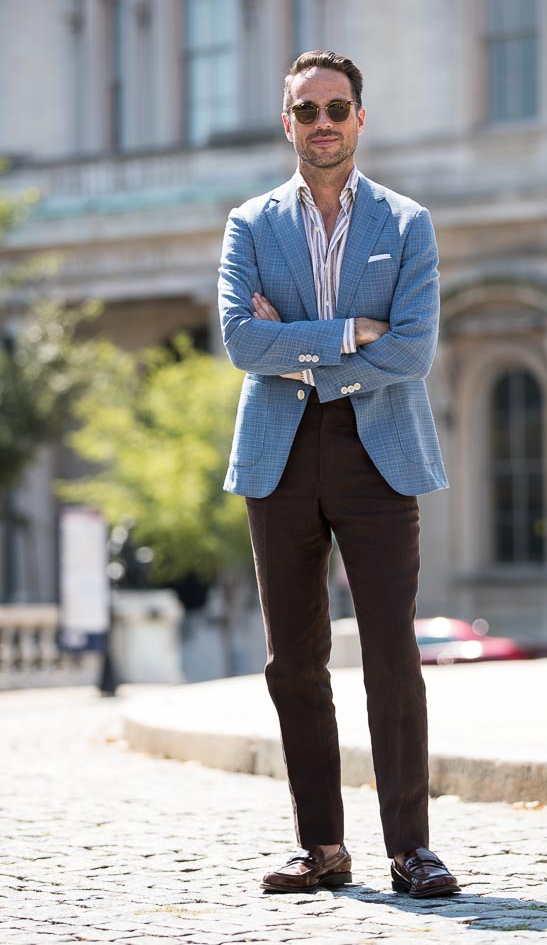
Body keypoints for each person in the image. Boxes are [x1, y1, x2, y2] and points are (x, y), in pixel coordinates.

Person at [217, 50, 460, 899]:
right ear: (288, 122)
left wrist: (309, 352)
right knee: (294, 660)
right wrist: (350, 332)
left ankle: (411, 851)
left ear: (361, 118)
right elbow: (241, 342)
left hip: (379, 454)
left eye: (337, 108)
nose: (323, 122)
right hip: (278, 457)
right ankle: (320, 847)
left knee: (393, 651)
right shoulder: (250, 223)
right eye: (306, 109)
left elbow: (415, 348)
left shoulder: (406, 225)